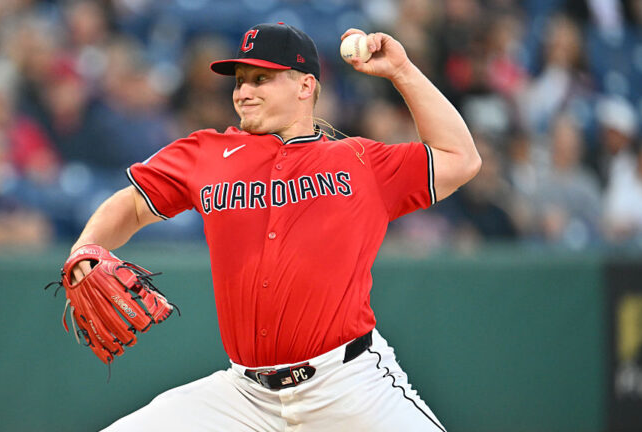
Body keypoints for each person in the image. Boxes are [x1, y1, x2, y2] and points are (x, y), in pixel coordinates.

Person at [69, 23, 481, 431]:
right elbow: (134, 205)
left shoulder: (360, 162)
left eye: (261, 79)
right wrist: (86, 248)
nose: (242, 92)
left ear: (305, 86)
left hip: (349, 387)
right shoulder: (206, 153)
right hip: (245, 396)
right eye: (240, 80)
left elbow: (461, 159)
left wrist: (402, 71)